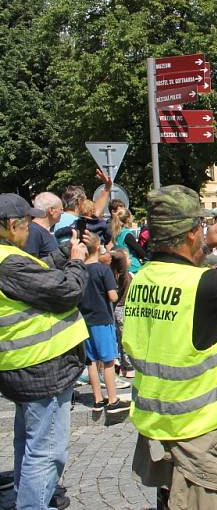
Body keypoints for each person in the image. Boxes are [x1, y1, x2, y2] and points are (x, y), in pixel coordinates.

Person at [123, 185, 217, 510]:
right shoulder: (203, 286)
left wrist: (203, 242)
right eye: (200, 227)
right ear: (191, 233)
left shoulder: (143, 280)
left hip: (161, 433)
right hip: (200, 437)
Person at [0, 193, 90, 510]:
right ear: (13, 226)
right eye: (27, 222)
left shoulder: (9, 257)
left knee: (27, 441)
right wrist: (79, 261)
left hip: (17, 365)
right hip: (40, 367)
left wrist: (66, 256)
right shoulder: (9, 262)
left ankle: (25, 499)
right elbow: (66, 290)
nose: (31, 228)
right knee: (46, 450)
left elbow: (42, 280)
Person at [76, 233, 128, 414]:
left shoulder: (79, 269)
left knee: (90, 361)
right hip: (102, 319)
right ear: (98, 247)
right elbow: (112, 295)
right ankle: (112, 399)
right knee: (107, 361)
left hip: (84, 320)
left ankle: (97, 398)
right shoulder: (103, 270)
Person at [110, 249, 134, 377]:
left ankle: (123, 364)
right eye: (128, 258)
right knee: (125, 338)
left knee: (121, 338)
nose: (131, 260)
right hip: (122, 308)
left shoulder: (118, 275)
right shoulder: (122, 276)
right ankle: (128, 366)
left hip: (120, 308)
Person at [23, 192, 63, 265]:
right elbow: (30, 265)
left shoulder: (42, 230)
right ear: (51, 210)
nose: (62, 212)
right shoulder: (33, 231)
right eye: (61, 209)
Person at [111, 208, 145, 274]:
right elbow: (140, 252)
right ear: (128, 219)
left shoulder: (116, 233)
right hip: (133, 268)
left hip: (121, 266)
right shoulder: (127, 234)